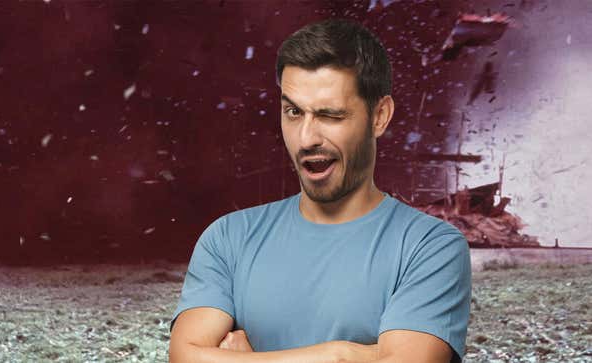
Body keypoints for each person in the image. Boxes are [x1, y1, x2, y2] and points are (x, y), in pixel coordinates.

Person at [169, 18, 471, 363]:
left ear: (380, 116)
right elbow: (185, 357)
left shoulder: (430, 246)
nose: (306, 137)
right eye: (293, 112)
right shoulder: (228, 238)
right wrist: (338, 353)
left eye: (330, 115)